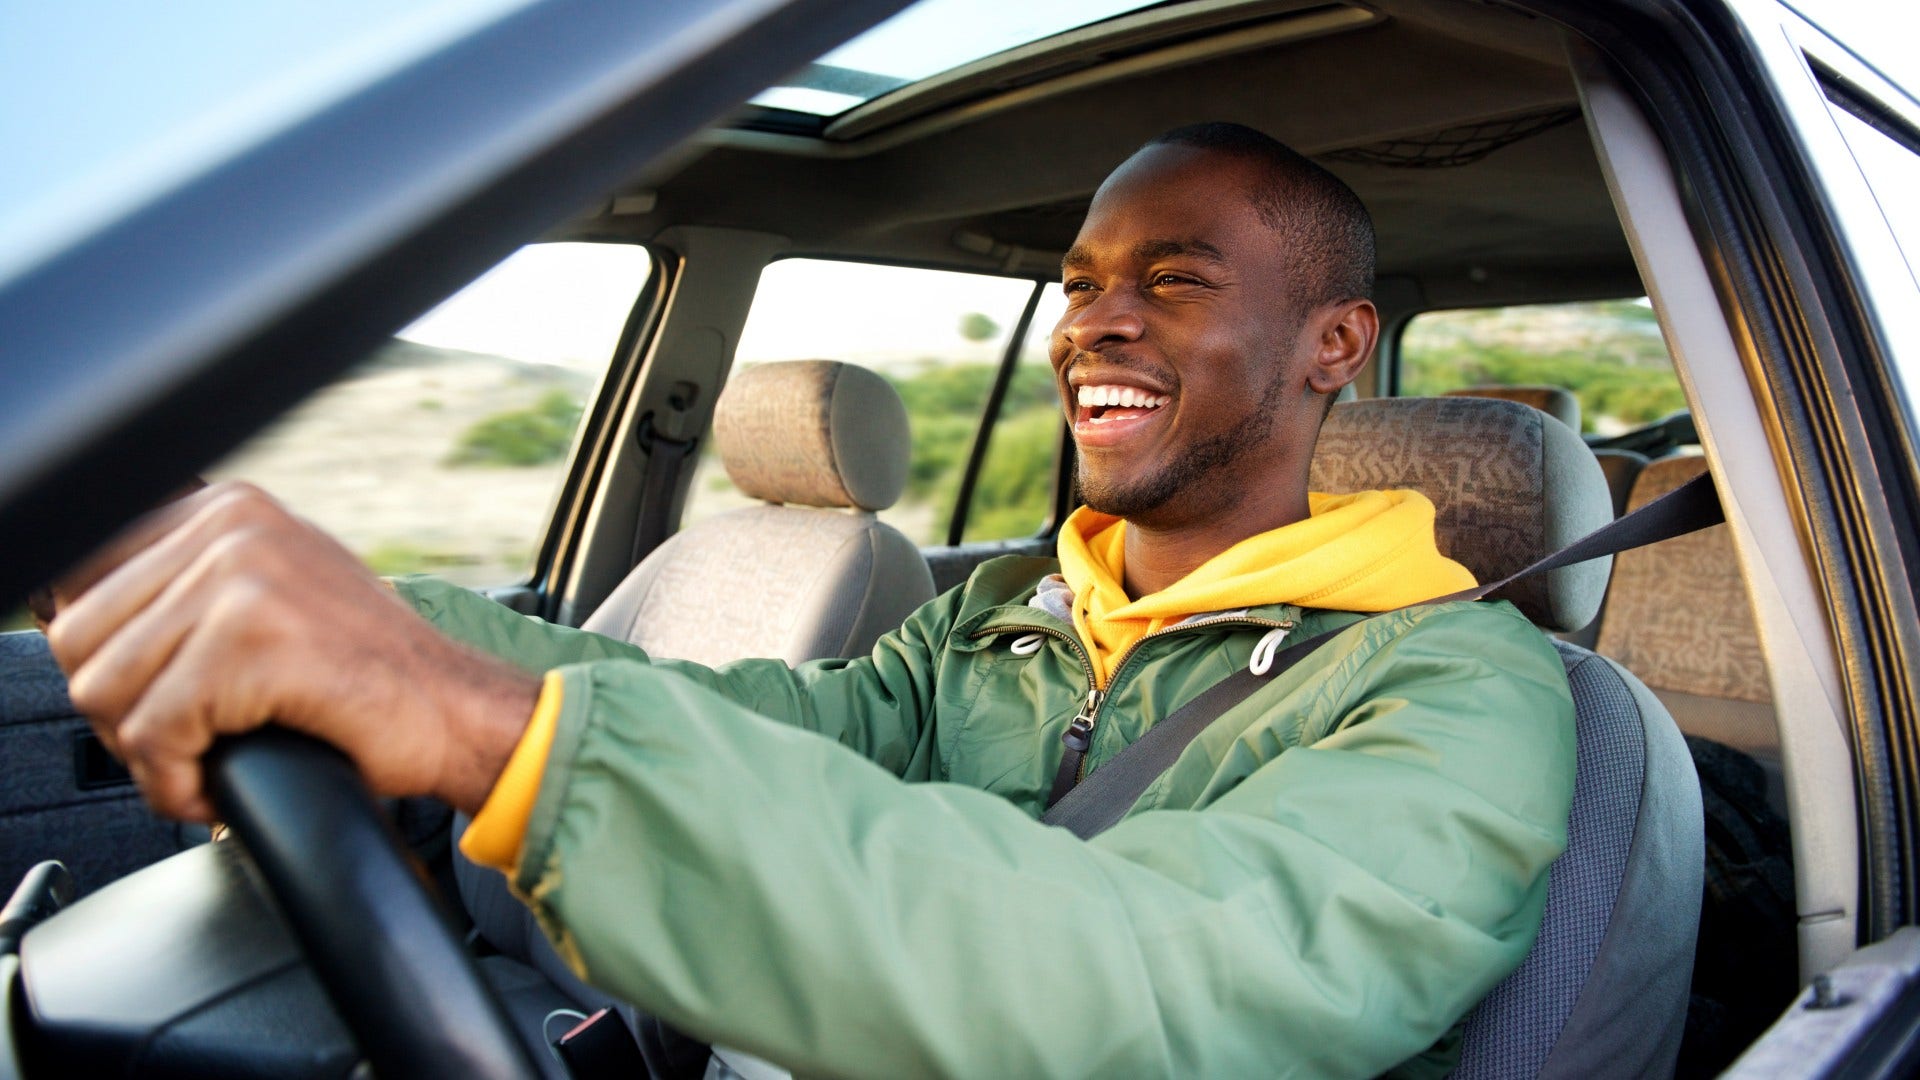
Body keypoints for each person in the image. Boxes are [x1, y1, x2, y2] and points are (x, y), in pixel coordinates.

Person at [45, 123, 1575, 1078]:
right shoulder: (1001, 624)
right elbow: (746, 722)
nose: (1096, 320)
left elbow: (1154, 985)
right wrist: (379, 622)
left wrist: (480, 725)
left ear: (1335, 342)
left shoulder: (1455, 693)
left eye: (1174, 280)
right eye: (1083, 279)